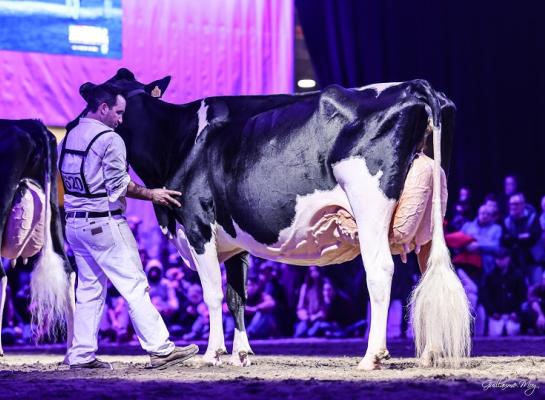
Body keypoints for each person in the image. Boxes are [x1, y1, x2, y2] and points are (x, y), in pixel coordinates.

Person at [60, 83, 198, 369]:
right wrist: (152, 194)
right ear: (103, 108)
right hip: (105, 223)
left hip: (74, 224)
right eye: (118, 113)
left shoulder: (70, 134)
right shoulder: (110, 139)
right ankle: (160, 348)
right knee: (134, 284)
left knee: (89, 289)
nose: (121, 120)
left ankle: (81, 355)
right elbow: (119, 186)